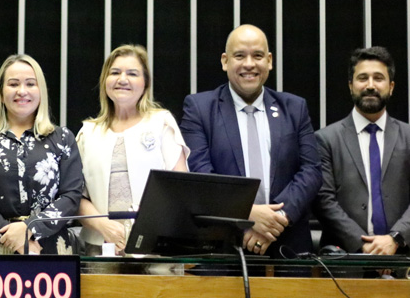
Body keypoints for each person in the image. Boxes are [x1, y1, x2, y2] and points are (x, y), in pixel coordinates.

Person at [180, 24, 321, 257]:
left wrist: (274, 221)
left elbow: (311, 172)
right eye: (239, 56)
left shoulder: (294, 108)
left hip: (288, 247)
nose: (249, 64)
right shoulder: (199, 109)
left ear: (269, 61)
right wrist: (248, 214)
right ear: (225, 61)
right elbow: (201, 178)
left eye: (257, 56)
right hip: (223, 249)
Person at [0, 54, 84, 254]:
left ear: (41, 91)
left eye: (30, 84)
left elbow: (71, 195)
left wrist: (30, 229)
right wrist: (13, 239)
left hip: (49, 248)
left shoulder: (62, 138)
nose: (22, 91)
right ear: (1, 91)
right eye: (13, 84)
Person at [77, 45, 188, 255]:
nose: (123, 79)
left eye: (132, 73)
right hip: (100, 247)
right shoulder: (87, 133)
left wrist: (143, 233)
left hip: (157, 247)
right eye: (115, 72)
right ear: (105, 81)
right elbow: (75, 196)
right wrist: (104, 227)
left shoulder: (162, 123)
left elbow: (180, 189)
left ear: (145, 83)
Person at [314, 46, 410, 254]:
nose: (370, 85)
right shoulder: (326, 140)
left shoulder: (408, 137)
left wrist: (395, 239)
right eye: (362, 78)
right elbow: (323, 201)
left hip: (404, 257)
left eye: (378, 78)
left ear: (391, 86)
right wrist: (364, 245)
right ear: (350, 86)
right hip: (346, 260)